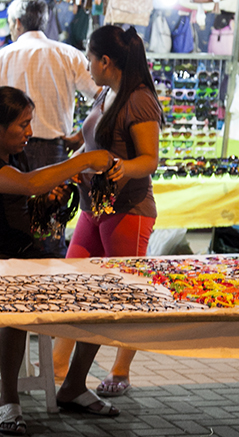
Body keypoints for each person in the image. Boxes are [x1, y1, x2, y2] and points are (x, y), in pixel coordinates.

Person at [0, 86, 121, 436]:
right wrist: (84, 159)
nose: (30, 132)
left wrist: (51, 199)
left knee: (99, 294)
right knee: (17, 302)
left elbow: (27, 200)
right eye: (23, 124)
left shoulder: (16, 154)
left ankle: (73, 384)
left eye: (30, 123)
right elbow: (27, 185)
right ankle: (9, 401)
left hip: (23, 257)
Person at [52, 25, 162, 398]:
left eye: (88, 56)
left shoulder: (139, 99)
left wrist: (120, 166)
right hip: (92, 207)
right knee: (74, 284)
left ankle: (120, 370)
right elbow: (93, 141)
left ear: (106, 61)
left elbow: (149, 159)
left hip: (127, 209)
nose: (85, 63)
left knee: (125, 294)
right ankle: (58, 365)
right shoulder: (107, 94)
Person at [0, 0, 100, 258]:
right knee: (51, 233)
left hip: (9, 153)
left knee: (27, 222)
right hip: (51, 151)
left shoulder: (2, 57)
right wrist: (82, 137)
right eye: (24, 124)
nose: (29, 129)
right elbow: (101, 97)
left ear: (17, 23)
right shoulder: (67, 54)